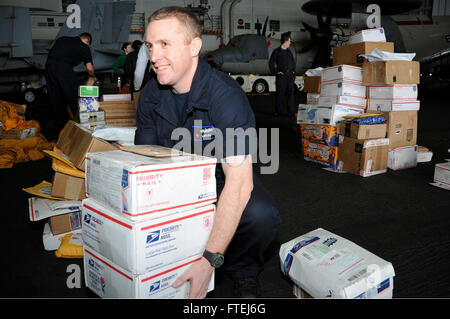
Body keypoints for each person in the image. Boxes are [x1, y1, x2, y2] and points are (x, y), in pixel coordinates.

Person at [135, 7, 280, 298]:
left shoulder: (225, 97)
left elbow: (239, 185)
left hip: (220, 177)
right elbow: (145, 159)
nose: (153, 57)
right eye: (150, 46)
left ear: (194, 47)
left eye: (165, 44)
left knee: (261, 214)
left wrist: (209, 260)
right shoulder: (151, 95)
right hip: (173, 175)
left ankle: (243, 270)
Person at [45, 32, 96, 138]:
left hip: (49, 67)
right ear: (87, 41)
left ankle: (62, 128)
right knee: (73, 95)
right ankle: (81, 124)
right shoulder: (84, 47)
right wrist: (93, 76)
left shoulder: (62, 38)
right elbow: (90, 68)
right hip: (63, 68)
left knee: (56, 98)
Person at [268, 31, 296, 117]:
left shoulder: (289, 52)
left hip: (290, 76)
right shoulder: (277, 51)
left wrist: (293, 72)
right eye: (289, 41)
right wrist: (276, 72)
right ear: (286, 41)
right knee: (280, 94)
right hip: (281, 76)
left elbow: (293, 63)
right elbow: (271, 63)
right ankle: (278, 111)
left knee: (290, 94)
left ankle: (290, 112)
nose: (290, 43)